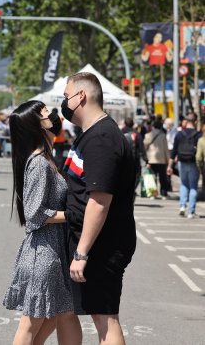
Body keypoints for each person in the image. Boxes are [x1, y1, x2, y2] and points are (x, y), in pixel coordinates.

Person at [61, 72, 136, 345]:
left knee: (105, 319)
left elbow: (99, 201)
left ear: (81, 96)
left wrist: (82, 252)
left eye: (66, 96)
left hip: (102, 245)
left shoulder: (102, 139)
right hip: (95, 242)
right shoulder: (92, 135)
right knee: (97, 315)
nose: (64, 103)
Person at [3, 100, 80, 345]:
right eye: (47, 113)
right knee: (30, 326)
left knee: (53, 319)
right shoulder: (37, 162)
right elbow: (34, 214)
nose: (54, 115)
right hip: (43, 254)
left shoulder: (45, 158)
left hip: (53, 251)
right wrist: (73, 215)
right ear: (36, 125)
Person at [167, 112, 201, 218]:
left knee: (183, 184)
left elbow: (173, 152)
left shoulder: (179, 134)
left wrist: (169, 166)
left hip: (181, 162)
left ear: (186, 121)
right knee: (193, 187)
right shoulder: (198, 135)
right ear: (195, 122)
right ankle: (191, 211)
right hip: (193, 163)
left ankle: (182, 206)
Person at [144, 118, 171, 199]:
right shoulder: (163, 135)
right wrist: (168, 160)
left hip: (151, 159)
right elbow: (166, 149)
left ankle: (153, 194)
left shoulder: (148, 135)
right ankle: (163, 193)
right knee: (162, 177)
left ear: (153, 126)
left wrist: (146, 160)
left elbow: (144, 148)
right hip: (162, 160)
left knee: (152, 177)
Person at [122, 117, 146, 193]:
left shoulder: (120, 132)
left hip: (122, 159)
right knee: (136, 176)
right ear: (133, 124)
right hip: (134, 159)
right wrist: (146, 160)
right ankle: (131, 189)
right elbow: (142, 148)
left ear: (125, 124)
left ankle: (125, 189)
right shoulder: (137, 134)